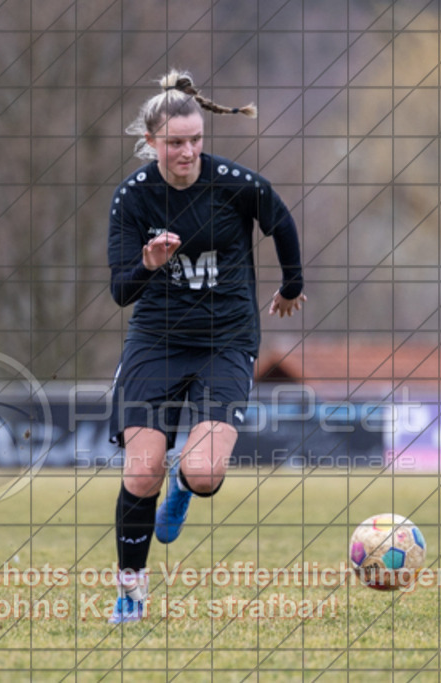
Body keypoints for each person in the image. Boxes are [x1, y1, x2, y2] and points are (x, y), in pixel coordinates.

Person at [106, 70, 306, 623]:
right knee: (140, 471)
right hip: (157, 341)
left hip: (227, 342)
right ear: (152, 144)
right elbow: (121, 290)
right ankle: (131, 591)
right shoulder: (133, 200)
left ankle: (185, 487)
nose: (189, 151)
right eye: (176, 143)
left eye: (196, 139)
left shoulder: (234, 184)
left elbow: (281, 220)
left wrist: (291, 286)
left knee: (204, 473)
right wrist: (148, 263)